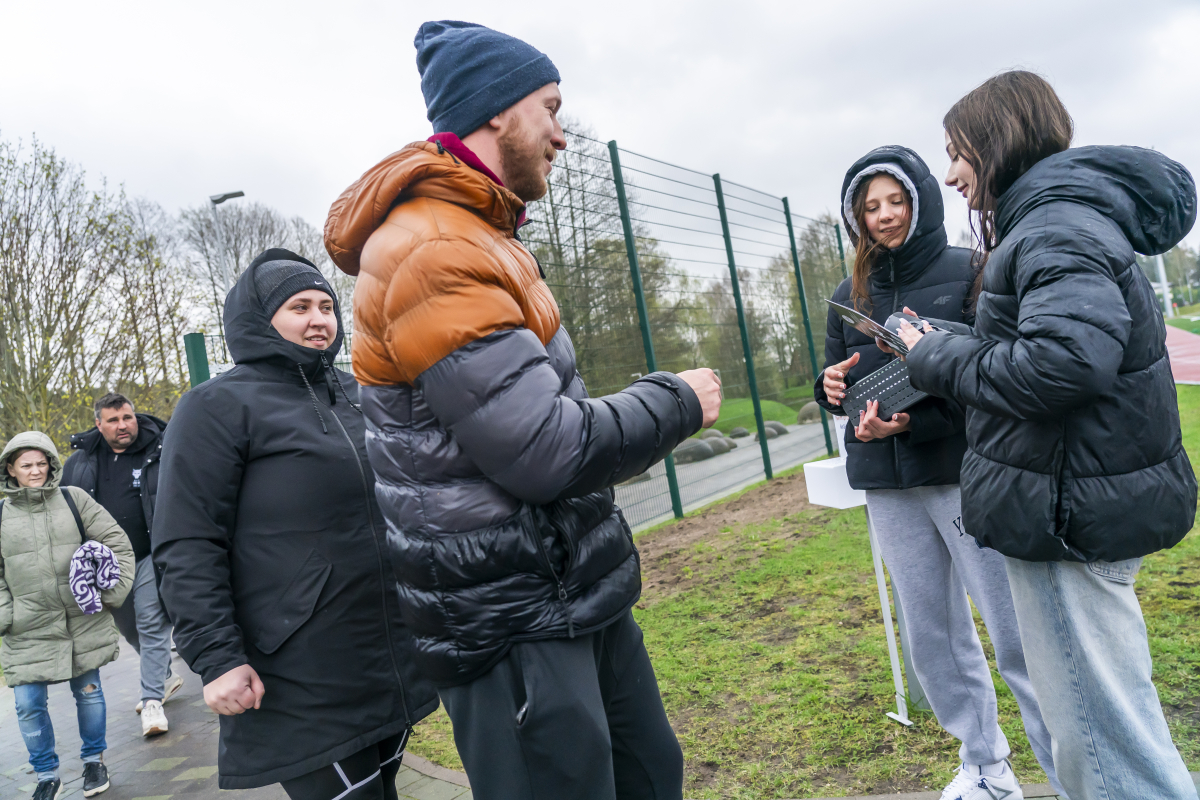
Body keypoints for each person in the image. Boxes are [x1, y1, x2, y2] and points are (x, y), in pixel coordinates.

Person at [323, 20, 722, 800]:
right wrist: (676, 399)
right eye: (551, 107)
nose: (563, 135)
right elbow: (544, 449)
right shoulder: (432, 251)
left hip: (568, 593)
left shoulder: (479, 233)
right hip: (510, 618)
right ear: (496, 111)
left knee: (650, 776)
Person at [897, 70, 1198, 800]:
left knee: (1104, 751)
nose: (950, 173)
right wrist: (955, 340)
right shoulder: (1057, 220)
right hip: (1072, 503)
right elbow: (1051, 345)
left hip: (1066, 516)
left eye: (957, 151)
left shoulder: (1054, 225)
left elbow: (1064, 364)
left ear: (996, 141)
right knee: (1111, 734)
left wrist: (934, 356)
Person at [815, 146, 1059, 800]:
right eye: (871, 207)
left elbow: (993, 379)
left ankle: (1068, 771)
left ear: (921, 200)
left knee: (1014, 636)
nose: (885, 216)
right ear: (855, 217)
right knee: (933, 636)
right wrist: (829, 388)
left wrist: (916, 426)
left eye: (896, 201)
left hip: (962, 476)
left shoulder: (971, 271)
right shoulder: (848, 294)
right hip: (888, 489)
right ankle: (986, 766)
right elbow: (843, 384)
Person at [152, 249, 438, 797]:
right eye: (299, 306)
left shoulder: (358, 393)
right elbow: (188, 542)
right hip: (297, 673)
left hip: (386, 656)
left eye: (326, 306)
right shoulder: (214, 408)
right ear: (261, 318)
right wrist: (216, 659)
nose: (318, 319)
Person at [1, 431, 135, 800]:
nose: (35, 471)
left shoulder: (74, 500)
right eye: (26, 465)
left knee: (88, 692)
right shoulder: (0, 514)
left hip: (81, 618)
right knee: (28, 704)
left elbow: (118, 543)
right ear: (11, 469)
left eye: (42, 463)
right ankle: (46, 776)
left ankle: (94, 761)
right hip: (25, 628)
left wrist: (111, 595)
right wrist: (6, 615)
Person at [62, 394, 182, 737]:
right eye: (113, 420)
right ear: (99, 424)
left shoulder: (160, 449)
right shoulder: (81, 461)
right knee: (128, 627)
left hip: (148, 553)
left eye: (127, 417)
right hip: (107, 563)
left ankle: (152, 701)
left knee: (150, 621)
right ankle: (164, 675)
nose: (123, 425)